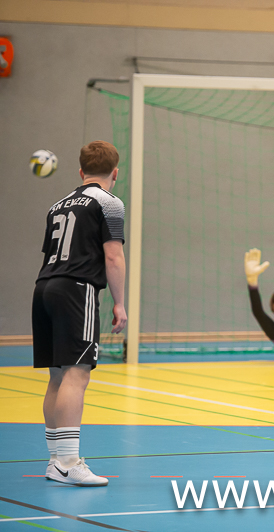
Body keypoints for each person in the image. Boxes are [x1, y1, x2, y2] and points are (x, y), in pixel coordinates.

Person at [32, 140, 127, 487]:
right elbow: (113, 256)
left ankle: (55, 461)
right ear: (115, 172)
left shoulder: (57, 205)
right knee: (77, 375)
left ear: (80, 171)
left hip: (44, 288)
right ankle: (69, 463)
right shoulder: (109, 202)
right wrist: (119, 302)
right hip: (76, 289)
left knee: (57, 377)